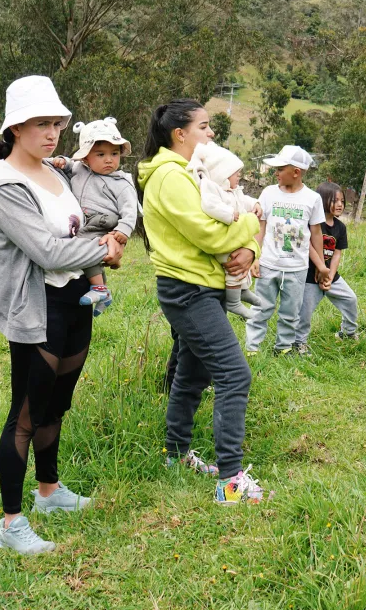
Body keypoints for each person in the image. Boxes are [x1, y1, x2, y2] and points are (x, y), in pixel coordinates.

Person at [0, 75, 123, 555]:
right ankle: (11, 525)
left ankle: (49, 492)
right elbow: (49, 251)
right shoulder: (5, 187)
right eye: (41, 123)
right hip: (37, 308)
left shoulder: (55, 172)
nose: (52, 132)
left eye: (56, 123)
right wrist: (105, 244)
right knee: (25, 414)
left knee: (57, 402)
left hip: (75, 300)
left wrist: (111, 237)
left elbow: (84, 220)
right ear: (15, 128)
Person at [137, 98, 268, 505]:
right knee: (235, 374)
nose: (212, 134)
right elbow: (211, 235)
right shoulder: (170, 178)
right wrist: (253, 225)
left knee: (191, 376)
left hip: (202, 286)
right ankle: (231, 482)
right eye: (205, 127)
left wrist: (251, 250)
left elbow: (222, 221)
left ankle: (176, 456)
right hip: (188, 290)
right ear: (180, 134)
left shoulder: (189, 173)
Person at [245, 145, 328, 356]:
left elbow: (316, 232)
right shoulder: (269, 193)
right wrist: (255, 255)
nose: (276, 173)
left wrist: (320, 265)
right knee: (261, 308)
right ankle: (252, 348)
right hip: (269, 264)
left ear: (296, 172)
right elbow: (261, 226)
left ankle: (283, 348)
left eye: (280, 169)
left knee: (291, 312)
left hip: (297, 268)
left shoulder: (312, 198)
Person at [53, 117, 137, 316]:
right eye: (101, 154)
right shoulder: (79, 168)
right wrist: (62, 161)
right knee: (88, 250)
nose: (109, 160)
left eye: (114, 154)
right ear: (85, 158)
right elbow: (68, 165)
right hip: (85, 220)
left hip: (103, 221)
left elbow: (130, 209)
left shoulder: (121, 183)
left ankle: (98, 288)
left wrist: (123, 229)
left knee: (83, 248)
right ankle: (103, 293)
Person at [187, 141, 262, 319]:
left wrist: (255, 203)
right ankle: (233, 302)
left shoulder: (232, 190)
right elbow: (210, 206)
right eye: (236, 174)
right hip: (224, 241)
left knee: (240, 265)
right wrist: (229, 213)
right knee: (234, 264)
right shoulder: (211, 188)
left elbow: (244, 199)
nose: (239, 177)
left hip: (234, 236)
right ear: (223, 174)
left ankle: (242, 290)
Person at [295, 182, 358, 355]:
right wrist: (321, 269)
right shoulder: (313, 223)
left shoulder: (340, 227)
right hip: (311, 276)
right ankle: (299, 343)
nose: (340, 204)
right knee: (305, 312)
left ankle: (348, 332)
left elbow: (337, 253)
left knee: (350, 299)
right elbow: (308, 246)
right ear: (322, 200)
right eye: (335, 200)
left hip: (331, 275)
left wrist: (329, 275)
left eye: (342, 200)